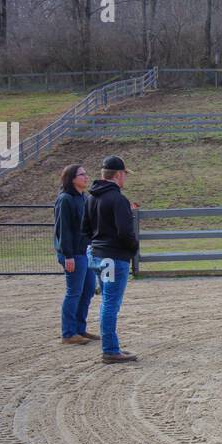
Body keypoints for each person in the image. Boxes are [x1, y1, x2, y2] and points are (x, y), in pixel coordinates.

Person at [83, 155, 140, 362]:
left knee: (107, 301)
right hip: (114, 257)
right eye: (124, 174)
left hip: (97, 255)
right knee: (110, 303)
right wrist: (133, 249)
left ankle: (111, 346)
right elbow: (125, 232)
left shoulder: (91, 198)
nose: (125, 178)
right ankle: (110, 349)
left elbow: (85, 229)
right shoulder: (117, 199)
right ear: (117, 175)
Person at [54, 163, 97, 344]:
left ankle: (80, 328)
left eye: (85, 174)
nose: (85, 177)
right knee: (74, 292)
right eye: (81, 175)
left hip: (85, 252)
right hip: (73, 253)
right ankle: (68, 333)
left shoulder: (84, 198)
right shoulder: (65, 199)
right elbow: (63, 229)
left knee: (87, 291)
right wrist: (68, 255)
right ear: (72, 178)